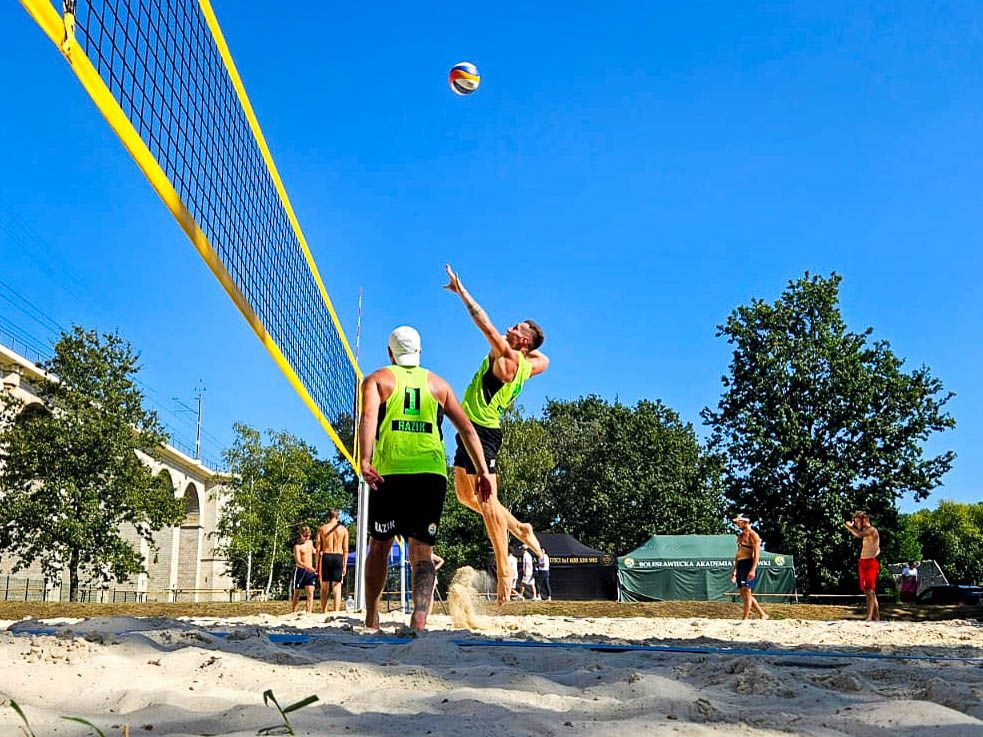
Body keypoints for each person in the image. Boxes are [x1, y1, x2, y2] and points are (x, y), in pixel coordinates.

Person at [358, 326, 492, 631]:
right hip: (429, 475)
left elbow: (367, 419)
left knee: (379, 547)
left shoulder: (377, 379)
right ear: (419, 352)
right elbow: (468, 429)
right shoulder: (438, 384)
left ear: (390, 353)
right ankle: (419, 617)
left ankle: (372, 617)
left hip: (389, 472)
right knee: (423, 553)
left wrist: (365, 459)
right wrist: (482, 471)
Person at [443, 264, 550, 604]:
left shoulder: (505, 352)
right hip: (468, 427)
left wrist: (462, 292)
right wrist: (524, 346)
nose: (511, 326)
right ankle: (521, 528)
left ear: (520, 339)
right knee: (464, 496)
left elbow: (483, 321)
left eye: (518, 327)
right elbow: (544, 357)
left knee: (488, 503)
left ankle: (505, 572)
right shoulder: (528, 364)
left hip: (483, 430)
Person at [730, 515, 768, 620]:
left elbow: (757, 554)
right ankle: (762, 614)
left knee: (747, 591)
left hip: (748, 563)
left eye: (738, 522)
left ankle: (745, 618)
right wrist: (735, 570)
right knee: (743, 592)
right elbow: (738, 554)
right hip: (741, 564)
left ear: (744, 522)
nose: (737, 524)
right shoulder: (741, 535)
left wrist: (753, 569)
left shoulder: (753, 535)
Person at [845, 511, 881, 621]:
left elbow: (859, 535)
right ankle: (877, 617)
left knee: (869, 591)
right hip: (863, 562)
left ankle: (869, 618)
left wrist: (849, 527)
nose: (856, 524)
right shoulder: (867, 532)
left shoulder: (872, 530)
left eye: (857, 521)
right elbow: (877, 548)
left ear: (863, 520)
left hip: (870, 563)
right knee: (869, 591)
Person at [315, 509, 348, 613]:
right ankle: (336, 612)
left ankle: (323, 611)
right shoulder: (343, 530)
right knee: (337, 588)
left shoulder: (322, 529)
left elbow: (317, 549)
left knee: (324, 587)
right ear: (338, 517)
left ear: (328, 517)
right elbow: (346, 550)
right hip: (338, 556)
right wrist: (344, 565)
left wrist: (317, 565)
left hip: (326, 555)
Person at [290, 525, 317, 614]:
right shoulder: (297, 547)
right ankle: (294, 611)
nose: (306, 538)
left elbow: (314, 551)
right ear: (301, 535)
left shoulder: (310, 542)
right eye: (305, 536)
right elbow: (298, 561)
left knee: (310, 593)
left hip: (310, 571)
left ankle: (308, 612)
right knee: (297, 593)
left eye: (308, 536)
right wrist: (307, 567)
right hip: (301, 571)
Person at [427, 551, 445, 616]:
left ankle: (428, 613)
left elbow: (441, 561)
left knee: (430, 595)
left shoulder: (430, 555)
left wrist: (434, 569)